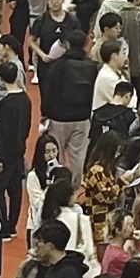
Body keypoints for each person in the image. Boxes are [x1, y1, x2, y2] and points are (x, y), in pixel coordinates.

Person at [39, 31, 96, 180]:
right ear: (85, 44)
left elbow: (48, 90)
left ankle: (58, 185)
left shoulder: (58, 65)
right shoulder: (91, 66)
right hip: (82, 118)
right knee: (78, 156)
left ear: (67, 44)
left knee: (56, 154)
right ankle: (74, 188)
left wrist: (44, 112)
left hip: (58, 118)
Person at [0, 59, 31, 239]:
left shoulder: (6, 103)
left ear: (0, 78)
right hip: (19, 150)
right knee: (15, 189)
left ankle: (4, 226)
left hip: (5, 153)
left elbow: (3, 132)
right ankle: (12, 225)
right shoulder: (25, 99)